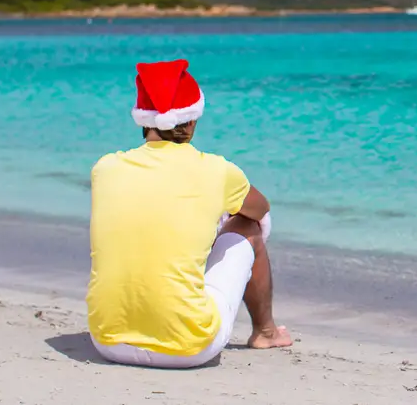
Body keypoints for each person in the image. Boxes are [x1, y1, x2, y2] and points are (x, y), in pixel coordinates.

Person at [86, 58, 292, 369]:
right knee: (250, 224)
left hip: (107, 342)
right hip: (188, 347)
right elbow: (261, 209)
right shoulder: (216, 170)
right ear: (192, 121)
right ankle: (266, 331)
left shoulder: (106, 168)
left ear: (144, 121)